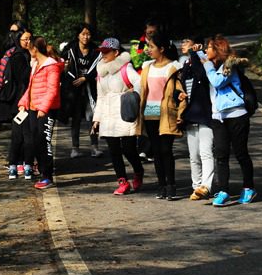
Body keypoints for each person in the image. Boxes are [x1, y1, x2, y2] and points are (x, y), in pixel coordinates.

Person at [203, 35, 256, 206]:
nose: (205, 50)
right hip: (218, 117)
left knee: (241, 153)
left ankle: (249, 188)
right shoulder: (210, 64)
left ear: (217, 50)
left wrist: (208, 66)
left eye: (209, 47)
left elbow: (217, 81)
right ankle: (223, 190)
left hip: (237, 115)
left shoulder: (229, 65)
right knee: (221, 155)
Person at [91, 37, 145, 195]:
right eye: (102, 52)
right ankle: (122, 181)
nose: (104, 55)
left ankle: (138, 171)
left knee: (129, 149)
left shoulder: (125, 68)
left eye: (107, 52)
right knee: (113, 150)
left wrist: (133, 93)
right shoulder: (100, 71)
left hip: (125, 112)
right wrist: (97, 119)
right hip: (108, 116)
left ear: (116, 52)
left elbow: (140, 83)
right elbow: (100, 97)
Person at [136, 32, 183, 200]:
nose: (149, 50)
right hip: (150, 112)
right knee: (155, 150)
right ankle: (161, 184)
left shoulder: (173, 67)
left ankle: (171, 185)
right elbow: (141, 89)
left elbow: (179, 89)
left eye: (152, 47)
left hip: (167, 112)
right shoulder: (147, 67)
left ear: (161, 49)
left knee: (166, 150)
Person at [18, 36, 64, 190]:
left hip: (47, 110)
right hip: (33, 108)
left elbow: (53, 90)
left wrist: (44, 108)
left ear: (35, 49)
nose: (28, 49)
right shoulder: (36, 65)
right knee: (36, 141)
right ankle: (43, 171)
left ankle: (47, 176)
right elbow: (31, 87)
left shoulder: (52, 66)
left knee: (45, 142)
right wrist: (23, 102)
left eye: (30, 47)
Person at [177, 36, 214, 200]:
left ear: (196, 45)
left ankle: (206, 186)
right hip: (190, 116)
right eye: (182, 42)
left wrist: (196, 54)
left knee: (205, 152)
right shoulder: (185, 65)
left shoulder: (204, 61)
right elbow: (182, 85)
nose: (183, 45)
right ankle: (196, 186)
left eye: (187, 42)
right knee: (193, 155)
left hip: (205, 115)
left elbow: (202, 76)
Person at [0, 27, 34, 179]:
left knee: (24, 133)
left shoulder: (25, 54)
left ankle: (23, 164)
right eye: (25, 39)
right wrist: (33, 63)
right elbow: (23, 78)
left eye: (30, 39)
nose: (28, 42)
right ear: (19, 40)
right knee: (22, 134)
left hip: (26, 99)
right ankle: (17, 164)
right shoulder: (18, 56)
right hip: (20, 101)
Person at [61, 23, 101, 158]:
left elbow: (98, 68)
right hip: (74, 88)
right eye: (83, 34)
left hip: (90, 88)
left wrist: (86, 78)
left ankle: (95, 147)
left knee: (92, 117)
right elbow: (63, 64)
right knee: (76, 118)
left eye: (88, 34)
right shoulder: (70, 48)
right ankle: (75, 148)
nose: (86, 37)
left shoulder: (96, 50)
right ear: (78, 35)